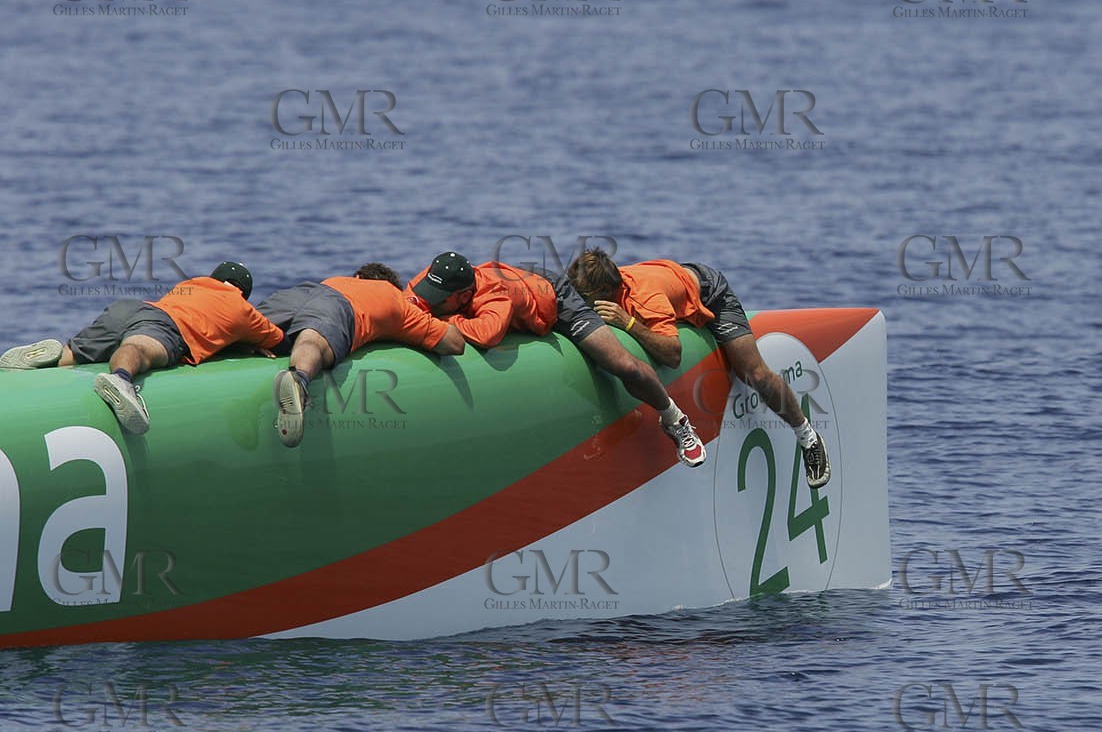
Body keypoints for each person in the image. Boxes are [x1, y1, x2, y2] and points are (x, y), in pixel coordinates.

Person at [406, 251, 707, 468]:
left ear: (462, 296)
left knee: (622, 365)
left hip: (557, 300)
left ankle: (675, 420)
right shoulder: (431, 281)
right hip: (523, 278)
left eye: (438, 298)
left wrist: (443, 320)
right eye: (429, 292)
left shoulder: (494, 294)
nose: (429, 299)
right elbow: (407, 301)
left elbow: (487, 334)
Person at [566, 250, 829, 487]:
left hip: (710, 291)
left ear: (604, 293)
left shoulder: (645, 301)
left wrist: (629, 323)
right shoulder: (590, 288)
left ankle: (808, 437)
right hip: (674, 276)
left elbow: (673, 354)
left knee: (753, 373)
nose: (577, 303)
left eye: (583, 299)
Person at [0, 262, 281, 435]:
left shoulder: (192, 284)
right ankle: (121, 379)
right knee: (140, 348)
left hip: (133, 308)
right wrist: (248, 343)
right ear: (243, 293)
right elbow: (278, 341)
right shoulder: (242, 309)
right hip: (166, 325)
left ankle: (49, 358)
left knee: (75, 355)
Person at [258, 262, 466, 448]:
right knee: (314, 337)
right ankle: (299, 379)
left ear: (358, 277)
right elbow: (454, 344)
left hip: (302, 292)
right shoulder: (395, 299)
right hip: (337, 305)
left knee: (248, 326)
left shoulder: (339, 280)